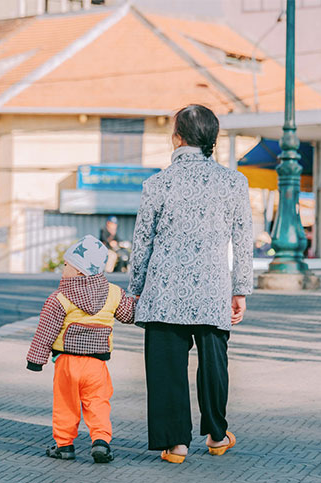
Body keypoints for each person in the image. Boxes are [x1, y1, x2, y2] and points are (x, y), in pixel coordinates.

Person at [129, 104, 253, 464]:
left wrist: (136, 288)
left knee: (166, 366)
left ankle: (175, 445)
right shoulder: (234, 183)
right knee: (214, 364)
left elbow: (143, 243)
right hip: (213, 290)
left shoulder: (157, 184)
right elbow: (243, 241)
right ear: (211, 139)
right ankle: (216, 435)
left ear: (178, 137)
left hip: (164, 291)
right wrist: (239, 289)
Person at [26, 234, 137, 464]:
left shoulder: (60, 298)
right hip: (97, 365)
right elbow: (129, 315)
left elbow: (46, 331)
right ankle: (101, 441)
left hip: (67, 363)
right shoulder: (113, 293)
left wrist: (36, 360)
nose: (62, 269)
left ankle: (64, 445)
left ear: (79, 270)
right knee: (98, 402)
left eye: (66, 265)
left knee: (66, 403)